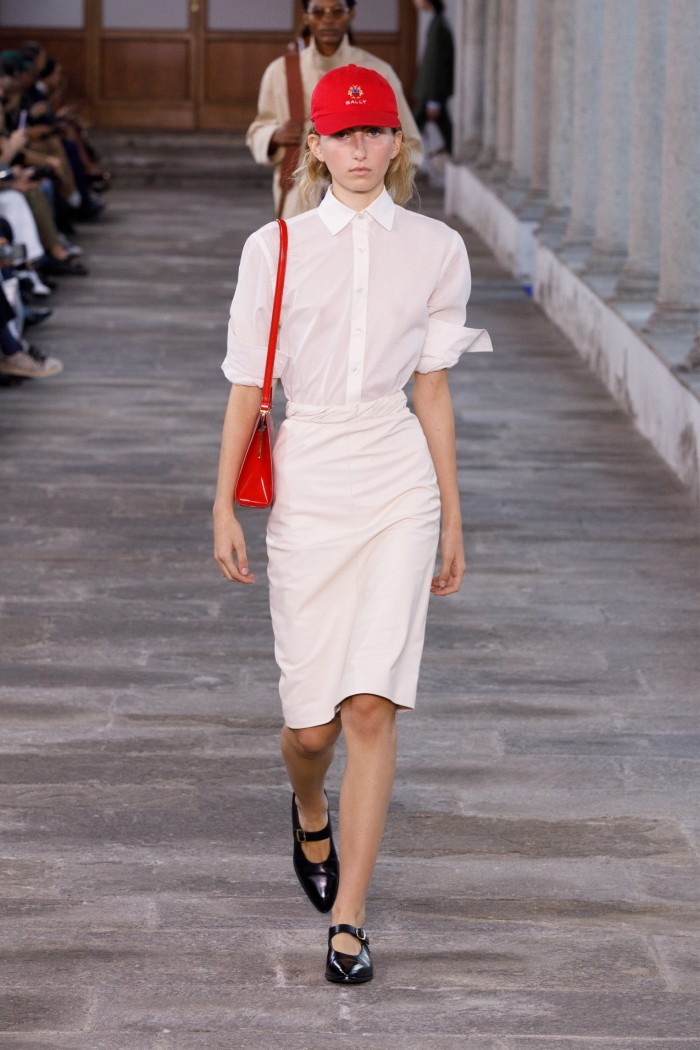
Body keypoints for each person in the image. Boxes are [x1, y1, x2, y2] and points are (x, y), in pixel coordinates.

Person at [214, 65, 491, 984]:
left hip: (395, 474)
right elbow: (250, 387)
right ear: (317, 146)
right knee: (311, 728)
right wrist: (223, 504)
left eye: (377, 134)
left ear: (397, 142)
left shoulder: (437, 249)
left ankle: (351, 915)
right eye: (345, 135)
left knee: (370, 702)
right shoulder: (275, 248)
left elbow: (434, 389)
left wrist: (452, 514)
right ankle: (307, 807)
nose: (363, 150)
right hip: (309, 477)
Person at [246, 1, 423, 218]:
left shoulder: (378, 73)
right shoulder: (281, 72)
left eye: (337, 11)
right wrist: (274, 135)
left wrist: (388, 197)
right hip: (300, 198)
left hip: (365, 203)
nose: (328, 19)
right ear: (306, 17)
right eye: (318, 12)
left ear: (351, 15)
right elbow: (258, 130)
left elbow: (410, 143)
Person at [412, 0, 454, 155]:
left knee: (409, 134)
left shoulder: (439, 26)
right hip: (430, 93)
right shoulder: (437, 23)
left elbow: (436, 65)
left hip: (431, 93)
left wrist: (433, 100)